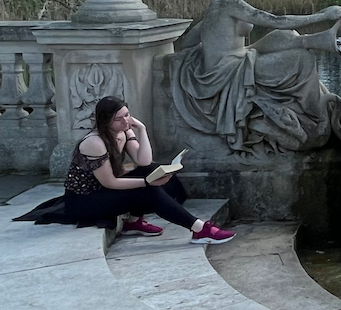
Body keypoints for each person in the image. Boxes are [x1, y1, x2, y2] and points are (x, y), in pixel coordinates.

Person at [170, 0, 341, 156]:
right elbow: (277, 20)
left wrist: (211, 43)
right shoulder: (228, 3)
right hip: (228, 70)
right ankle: (316, 115)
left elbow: (187, 42)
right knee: (302, 59)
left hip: (239, 58)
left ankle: (320, 41)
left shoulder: (221, 3)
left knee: (287, 36)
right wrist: (323, 15)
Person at [18, 95, 234, 244]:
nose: (125, 121)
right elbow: (109, 183)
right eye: (119, 118)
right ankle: (199, 229)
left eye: (127, 115)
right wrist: (147, 183)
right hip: (84, 201)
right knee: (146, 186)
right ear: (106, 121)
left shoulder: (123, 132)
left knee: (152, 169)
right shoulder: (94, 142)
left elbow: (143, 161)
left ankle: (134, 222)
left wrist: (141, 129)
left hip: (104, 194)